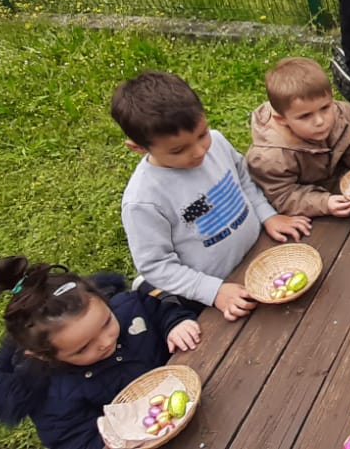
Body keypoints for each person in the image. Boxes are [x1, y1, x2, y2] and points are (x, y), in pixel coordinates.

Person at [112, 71, 311, 321]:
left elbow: (242, 178)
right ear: (138, 148)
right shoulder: (144, 201)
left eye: (201, 134)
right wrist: (213, 291)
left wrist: (267, 214)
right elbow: (156, 265)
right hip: (212, 291)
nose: (199, 152)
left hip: (261, 253)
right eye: (178, 150)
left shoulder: (216, 142)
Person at [0, 256, 201, 449]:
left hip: (199, 385)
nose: (105, 342)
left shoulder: (128, 307)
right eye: (83, 348)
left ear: (103, 299)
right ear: (44, 355)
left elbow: (158, 307)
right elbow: (73, 439)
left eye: (106, 322)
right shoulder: (54, 396)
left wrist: (175, 323)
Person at [245, 57, 350, 219]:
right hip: (309, 211)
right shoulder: (271, 158)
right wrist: (324, 203)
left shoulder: (341, 114)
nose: (320, 121)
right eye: (305, 116)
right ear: (282, 120)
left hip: (340, 183)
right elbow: (282, 195)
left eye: (325, 107)